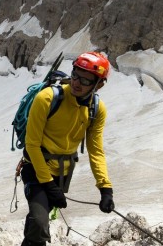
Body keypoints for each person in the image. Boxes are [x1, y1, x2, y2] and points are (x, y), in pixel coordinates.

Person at [20, 51, 115, 246]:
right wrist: (48, 184)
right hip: (36, 168)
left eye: (86, 80)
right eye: (75, 75)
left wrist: (105, 189)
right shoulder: (46, 98)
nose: (77, 83)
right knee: (39, 221)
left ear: (100, 85)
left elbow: (96, 150)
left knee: (39, 221)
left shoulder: (96, 109)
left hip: (62, 173)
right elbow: (32, 144)